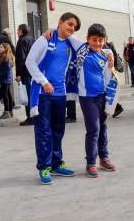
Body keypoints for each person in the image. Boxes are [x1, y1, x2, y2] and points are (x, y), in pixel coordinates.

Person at [25, 12, 84, 185]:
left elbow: (94, 47)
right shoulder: (45, 40)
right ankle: (44, 167)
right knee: (44, 131)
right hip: (43, 95)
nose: (72, 28)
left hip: (60, 94)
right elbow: (30, 62)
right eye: (70, 24)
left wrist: (109, 53)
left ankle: (56, 163)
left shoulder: (72, 43)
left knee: (58, 130)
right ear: (60, 22)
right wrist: (43, 82)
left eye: (74, 26)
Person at [76, 24, 118, 177]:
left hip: (102, 96)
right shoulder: (82, 52)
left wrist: (108, 51)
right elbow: (67, 36)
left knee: (103, 127)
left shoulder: (105, 55)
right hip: (87, 98)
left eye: (101, 40)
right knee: (93, 129)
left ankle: (104, 158)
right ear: (87, 39)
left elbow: (108, 77)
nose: (97, 43)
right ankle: (91, 163)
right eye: (94, 40)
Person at [14, 24, 35, 126]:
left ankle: (30, 117)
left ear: (21, 31)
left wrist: (18, 74)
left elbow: (20, 59)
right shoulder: (32, 39)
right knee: (32, 94)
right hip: (33, 71)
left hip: (25, 72)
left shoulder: (22, 41)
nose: (17, 32)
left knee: (28, 95)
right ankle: (34, 115)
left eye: (18, 30)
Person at [0, 42, 15, 119]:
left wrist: (0, 74)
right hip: (7, 79)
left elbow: (6, 70)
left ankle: (6, 112)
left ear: (5, 49)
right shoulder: (6, 56)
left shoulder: (5, 57)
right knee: (8, 94)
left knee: (4, 95)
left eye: (1, 47)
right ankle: (10, 111)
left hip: (5, 79)